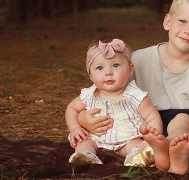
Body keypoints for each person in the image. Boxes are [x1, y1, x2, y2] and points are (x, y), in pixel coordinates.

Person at [78, 0, 189, 175]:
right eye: (182, 21)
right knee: (144, 131)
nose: (188, 30)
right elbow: (106, 92)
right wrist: (82, 119)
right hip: (148, 124)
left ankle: (170, 148)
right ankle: (169, 159)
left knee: (180, 121)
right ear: (167, 21)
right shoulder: (139, 60)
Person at [65, 38, 170, 171]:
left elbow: (152, 117)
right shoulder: (89, 94)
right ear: (91, 75)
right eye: (99, 68)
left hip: (128, 139)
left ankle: (137, 157)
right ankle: (86, 156)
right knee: (83, 142)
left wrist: (153, 139)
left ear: (130, 69)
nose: (108, 72)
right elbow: (71, 108)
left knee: (138, 145)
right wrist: (74, 128)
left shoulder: (136, 95)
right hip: (96, 138)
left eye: (115, 65)